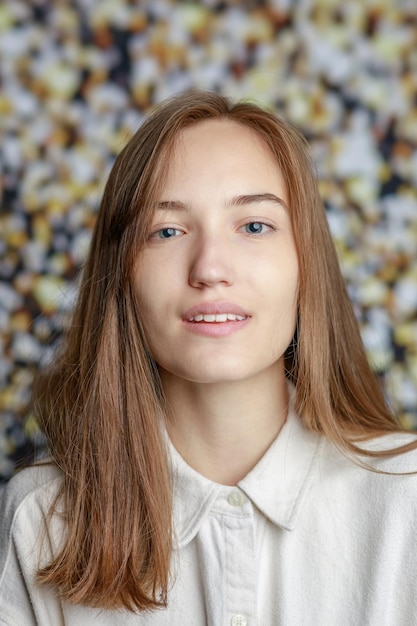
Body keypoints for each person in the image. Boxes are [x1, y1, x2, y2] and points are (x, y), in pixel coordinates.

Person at [1, 90, 417, 626]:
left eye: (254, 226)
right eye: (167, 231)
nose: (210, 267)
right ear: (121, 275)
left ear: (305, 263)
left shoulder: (407, 500)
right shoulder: (40, 520)